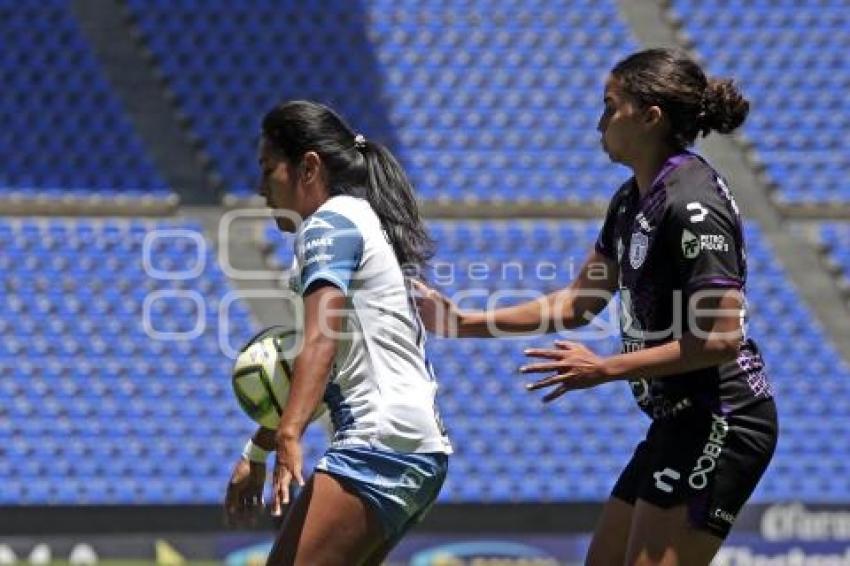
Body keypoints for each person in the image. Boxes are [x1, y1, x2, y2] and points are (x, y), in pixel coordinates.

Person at [415, 48, 778, 566]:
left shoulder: (692, 205)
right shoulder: (632, 200)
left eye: (611, 106)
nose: (600, 121)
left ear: (651, 117)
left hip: (723, 415)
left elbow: (721, 338)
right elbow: (578, 303)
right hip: (678, 419)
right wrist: (463, 322)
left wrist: (606, 367)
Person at [224, 100, 452, 566]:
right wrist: (260, 446)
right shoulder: (356, 220)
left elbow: (321, 341)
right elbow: (328, 368)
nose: (260, 186)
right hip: (412, 446)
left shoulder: (328, 224)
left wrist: (288, 436)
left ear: (308, 166)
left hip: (380, 443)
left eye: (268, 169)